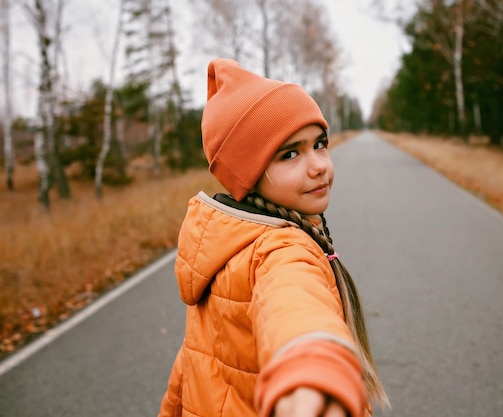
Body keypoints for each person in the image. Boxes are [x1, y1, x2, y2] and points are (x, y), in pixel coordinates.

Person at [158, 58, 389, 417]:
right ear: (248, 176)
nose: (319, 165)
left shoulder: (227, 241)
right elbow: (294, 306)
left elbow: (192, 368)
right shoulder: (281, 249)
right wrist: (309, 374)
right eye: (290, 153)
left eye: (320, 144)